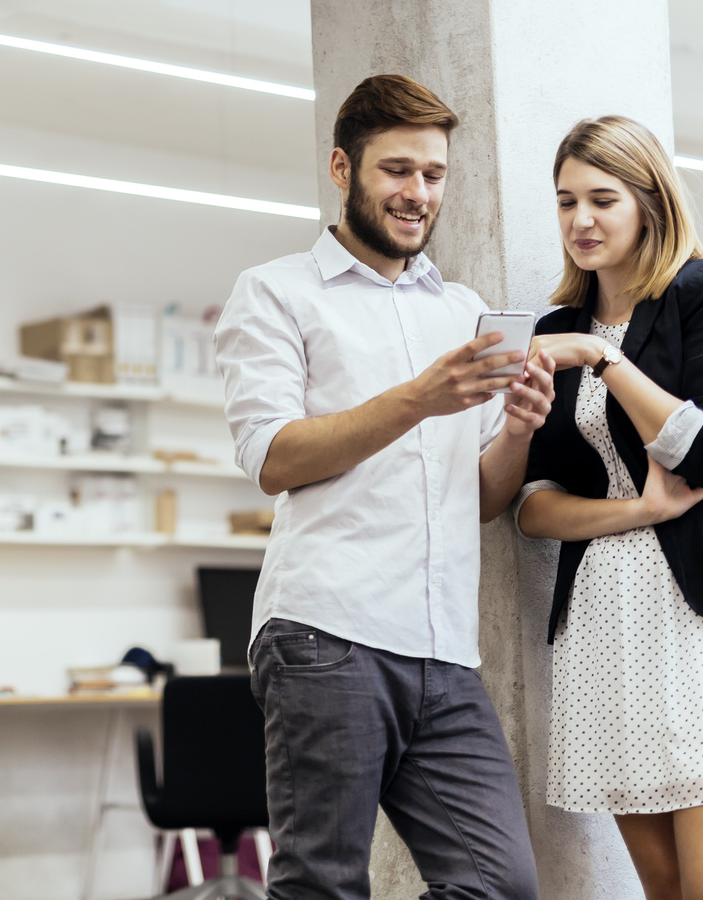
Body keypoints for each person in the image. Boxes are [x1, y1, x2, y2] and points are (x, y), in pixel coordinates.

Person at [215, 74, 553, 900]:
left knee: (498, 885)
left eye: (433, 174)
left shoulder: (460, 309)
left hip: (443, 647)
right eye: (396, 169)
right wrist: (418, 399)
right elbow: (273, 457)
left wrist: (517, 429)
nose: (417, 193)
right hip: (327, 633)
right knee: (324, 882)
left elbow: (477, 497)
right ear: (342, 167)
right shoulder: (275, 292)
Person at [516, 116, 703, 900]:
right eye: (565, 201)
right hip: (606, 624)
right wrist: (636, 510)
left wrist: (607, 361)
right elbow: (534, 504)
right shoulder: (554, 331)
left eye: (603, 199)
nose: (581, 220)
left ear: (649, 201)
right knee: (668, 890)